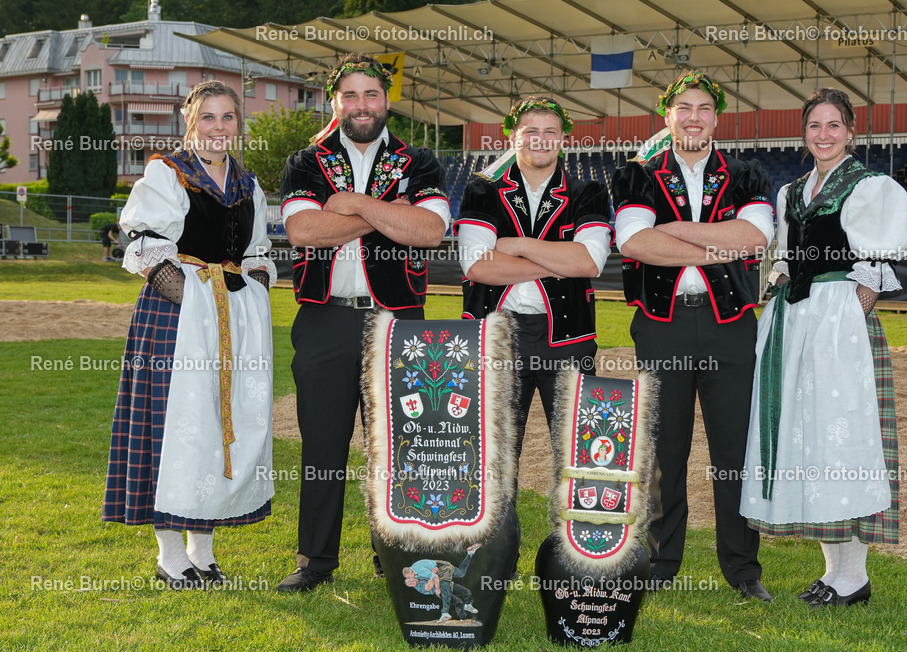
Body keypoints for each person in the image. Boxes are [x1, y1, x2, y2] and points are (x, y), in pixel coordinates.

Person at [275, 54, 449, 593]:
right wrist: (385, 215)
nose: (361, 105)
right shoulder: (307, 160)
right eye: (349, 96)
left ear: (387, 99)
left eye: (370, 94)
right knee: (323, 446)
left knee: (398, 447)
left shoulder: (419, 160)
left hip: (399, 325)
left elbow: (426, 231)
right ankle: (316, 561)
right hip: (325, 319)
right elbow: (304, 231)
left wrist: (351, 205)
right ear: (336, 103)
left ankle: (394, 555)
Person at [102, 81, 276, 590]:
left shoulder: (248, 185)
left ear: (238, 125)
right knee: (170, 427)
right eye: (208, 118)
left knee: (217, 425)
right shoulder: (168, 172)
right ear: (189, 122)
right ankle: (170, 555)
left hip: (229, 321)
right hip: (175, 318)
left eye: (227, 118)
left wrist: (247, 297)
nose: (218, 128)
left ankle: (203, 551)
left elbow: (258, 253)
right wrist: (200, 303)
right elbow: (147, 246)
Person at [740, 88, 907, 607]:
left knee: (844, 440)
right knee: (808, 440)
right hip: (795, 320)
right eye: (815, 125)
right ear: (804, 132)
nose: (824, 134)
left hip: (838, 321)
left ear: (851, 132)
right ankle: (833, 572)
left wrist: (848, 320)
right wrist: (781, 296)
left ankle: (854, 576)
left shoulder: (870, 186)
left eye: (834, 125)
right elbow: (787, 257)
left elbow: (876, 268)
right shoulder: (790, 191)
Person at [611, 70, 775, 600]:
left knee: (734, 452)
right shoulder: (638, 175)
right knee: (665, 450)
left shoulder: (747, 174)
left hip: (730, 327)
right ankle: (661, 563)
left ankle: (742, 569)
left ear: (716, 118)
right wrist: (717, 247)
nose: (694, 117)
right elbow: (635, 243)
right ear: (668, 116)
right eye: (684, 108)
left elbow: (753, 237)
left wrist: (674, 231)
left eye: (704, 108)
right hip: (663, 325)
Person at [455, 96, 612, 482]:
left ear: (563, 139)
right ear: (512, 136)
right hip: (496, 335)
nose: (540, 140)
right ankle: (493, 544)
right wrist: (557, 261)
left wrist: (519, 245)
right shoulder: (483, 188)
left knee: (580, 452)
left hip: (568, 337)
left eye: (549, 132)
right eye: (530, 132)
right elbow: (477, 265)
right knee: (493, 455)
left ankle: (573, 543)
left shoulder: (587, 191)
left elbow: (588, 262)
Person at [403, 543, 482, 622]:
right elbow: (429, 586)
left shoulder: (419, 571)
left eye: (410, 578)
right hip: (442, 567)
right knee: (461, 574)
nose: (411, 579)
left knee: (444, 588)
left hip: (441, 567)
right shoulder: (418, 584)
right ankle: (470, 554)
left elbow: (435, 577)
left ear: (410, 571)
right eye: (410, 583)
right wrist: (433, 574)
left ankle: (445, 613)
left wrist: (437, 587)